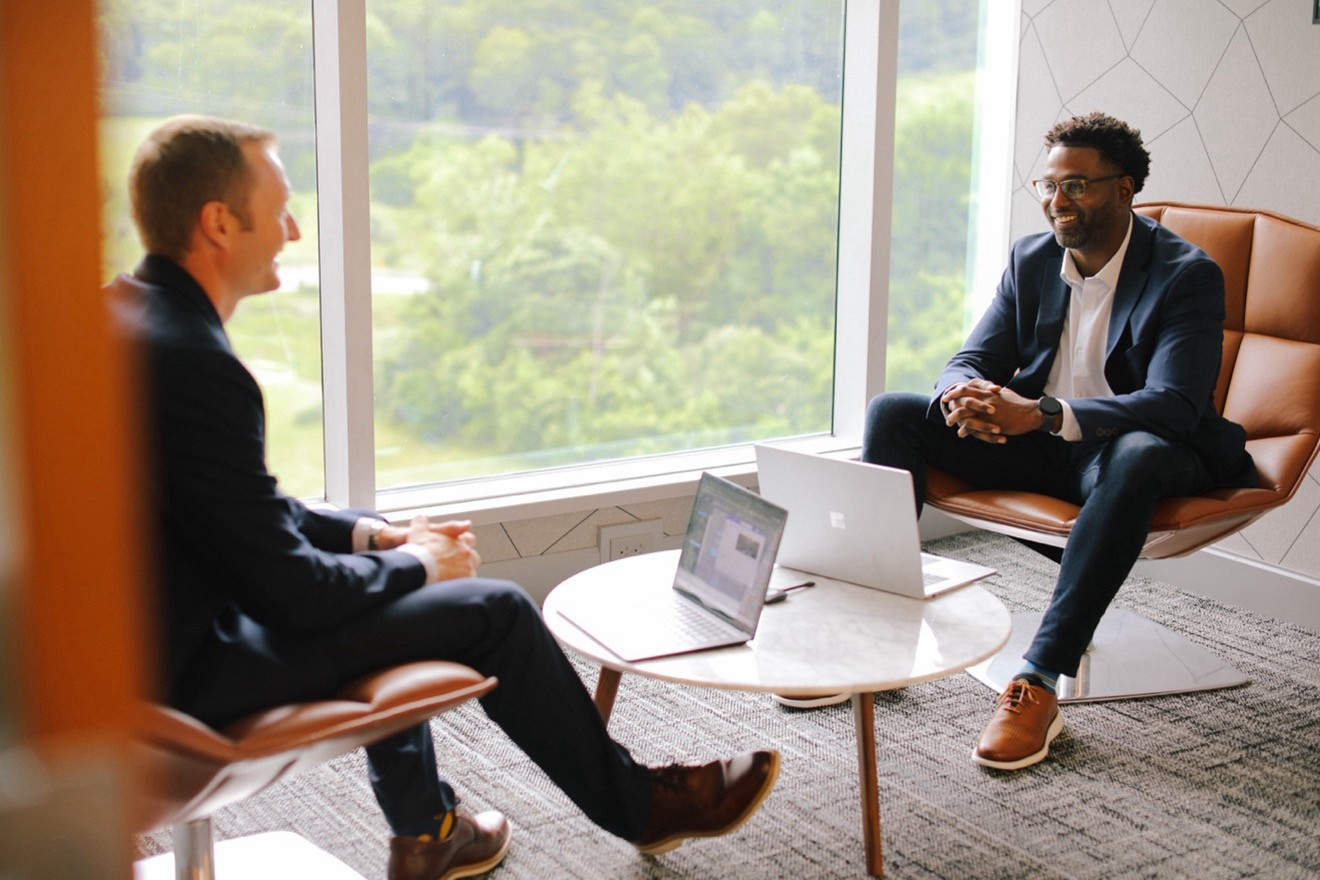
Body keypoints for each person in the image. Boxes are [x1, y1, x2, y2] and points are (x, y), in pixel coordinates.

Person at [112, 114, 779, 880]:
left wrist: (376, 541)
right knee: (495, 611)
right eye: (284, 207)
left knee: (373, 549)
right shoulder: (199, 366)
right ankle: (640, 805)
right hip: (186, 674)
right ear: (220, 222)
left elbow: (232, 507)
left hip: (126, 646)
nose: (294, 231)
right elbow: (292, 594)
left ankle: (428, 829)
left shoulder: (123, 315)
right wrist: (424, 565)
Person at [861, 112, 1256, 772]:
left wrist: (1041, 414)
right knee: (895, 412)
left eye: (1076, 185)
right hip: (1046, 447)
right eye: (1046, 186)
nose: (1056, 201)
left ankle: (1039, 681)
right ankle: (876, 638)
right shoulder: (1033, 258)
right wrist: (966, 397)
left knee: (1138, 452)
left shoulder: (1186, 275)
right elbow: (972, 356)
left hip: (1137, 451)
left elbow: (1176, 406)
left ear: (1125, 188)